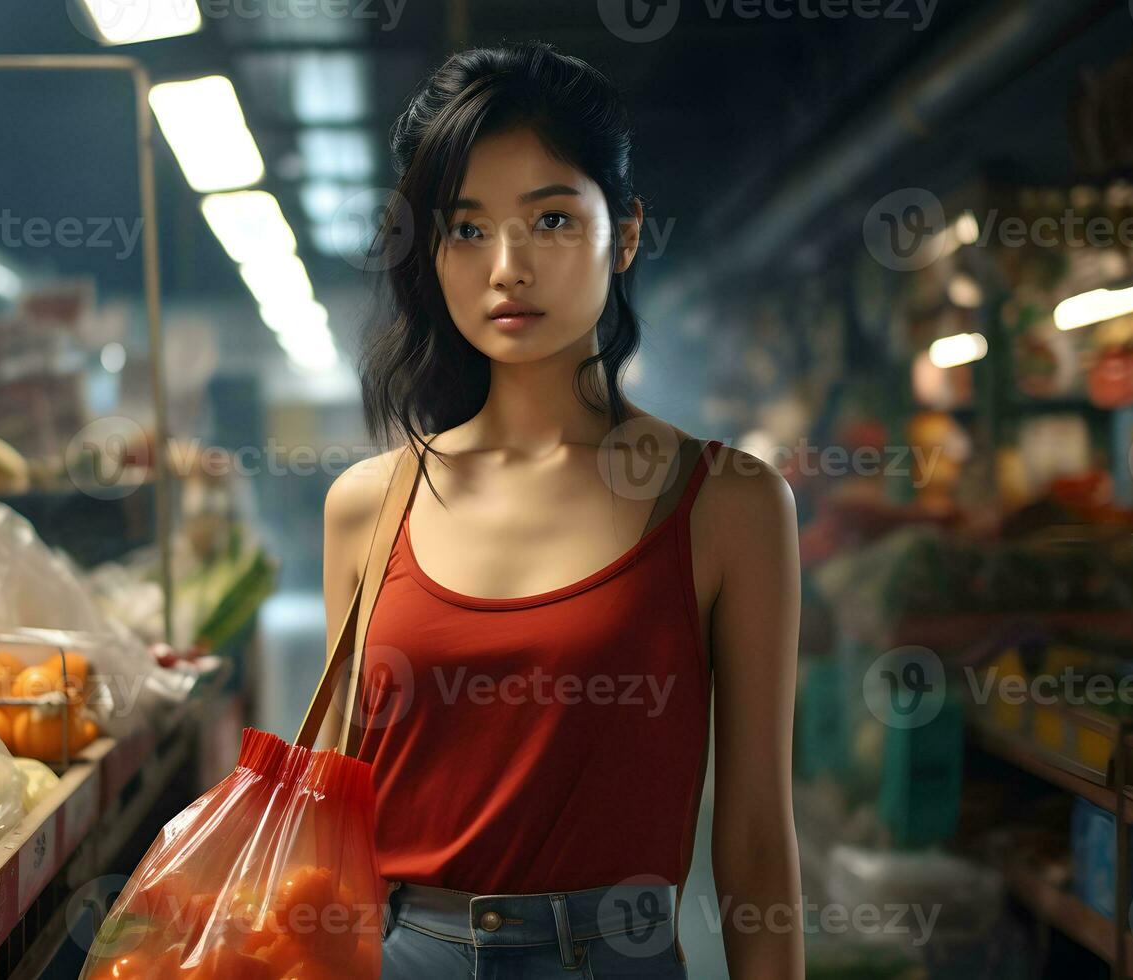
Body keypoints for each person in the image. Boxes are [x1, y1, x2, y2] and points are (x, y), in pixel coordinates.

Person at [320, 40, 804, 979]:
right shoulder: (367, 509)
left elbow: (752, 838)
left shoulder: (731, 505)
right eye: (466, 229)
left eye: (548, 219)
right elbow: (335, 828)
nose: (507, 267)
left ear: (623, 235)